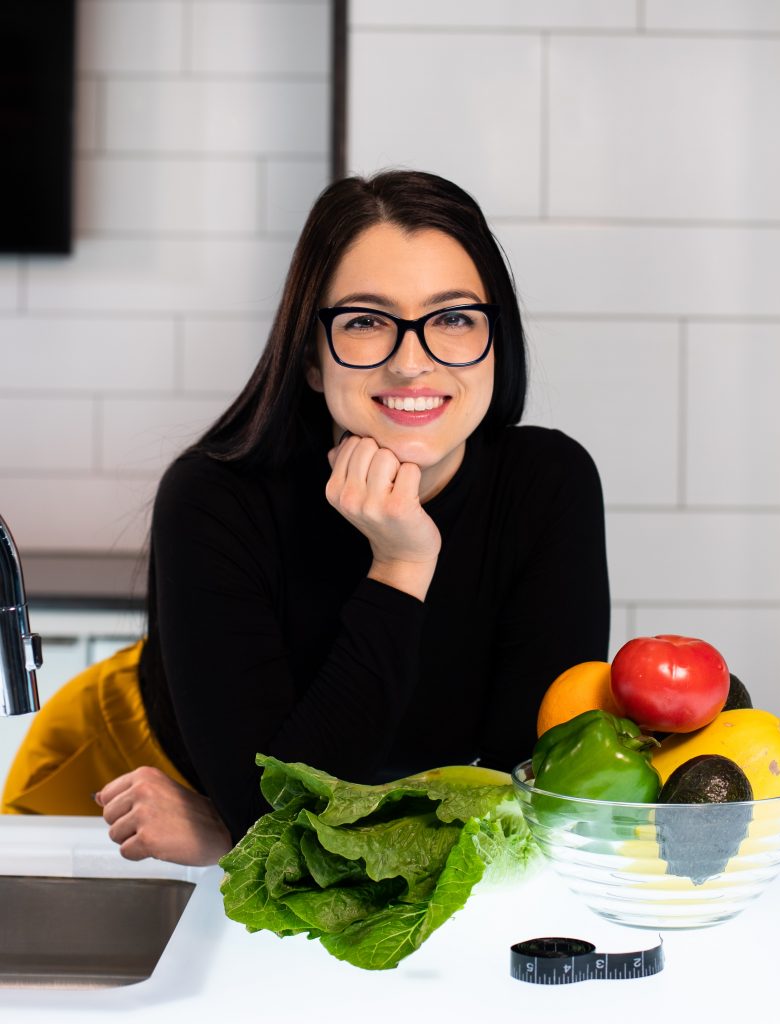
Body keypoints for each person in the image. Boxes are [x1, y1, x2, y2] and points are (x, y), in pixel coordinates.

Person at [2, 170, 610, 865]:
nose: (413, 362)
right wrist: (400, 566)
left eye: (452, 318)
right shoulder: (213, 498)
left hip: (250, 819)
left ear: (496, 342)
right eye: (364, 322)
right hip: (129, 782)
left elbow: (528, 803)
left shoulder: (548, 484)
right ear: (312, 358)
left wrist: (237, 828)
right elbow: (276, 820)